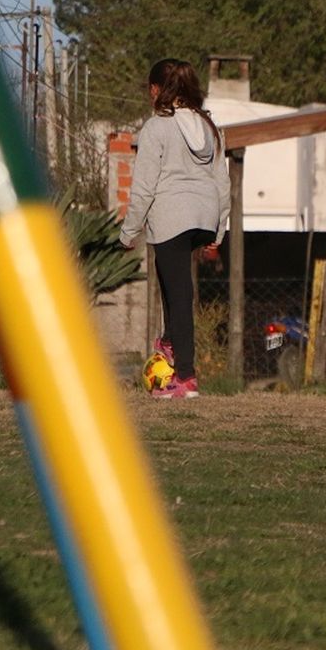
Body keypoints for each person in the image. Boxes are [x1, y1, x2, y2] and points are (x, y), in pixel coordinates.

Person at [119, 58, 230, 399]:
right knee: (177, 288)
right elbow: (222, 181)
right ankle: (169, 342)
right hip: (205, 215)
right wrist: (219, 230)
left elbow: (145, 187)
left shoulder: (156, 128)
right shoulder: (210, 127)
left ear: (156, 89)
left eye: (149, 88)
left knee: (178, 294)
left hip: (172, 216)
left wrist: (129, 231)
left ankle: (186, 377)